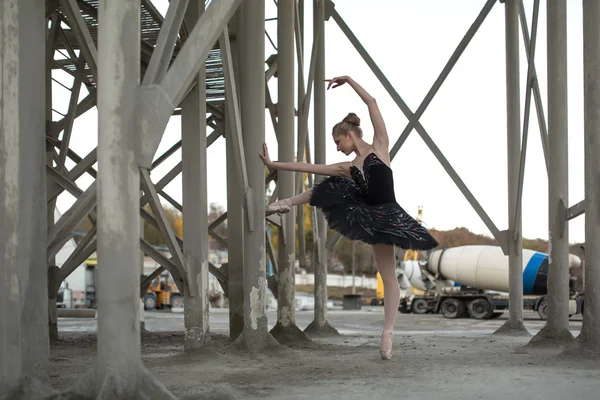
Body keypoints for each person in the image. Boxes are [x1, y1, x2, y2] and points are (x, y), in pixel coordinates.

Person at [259, 75, 439, 360]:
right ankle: (284, 205)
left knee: (388, 276)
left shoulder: (380, 147)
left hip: (387, 214)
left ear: (349, 135)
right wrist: (273, 163)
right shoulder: (347, 166)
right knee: (328, 187)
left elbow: (372, 103)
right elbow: (309, 166)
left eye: (337, 140)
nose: (336, 146)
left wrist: (349, 80)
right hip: (365, 212)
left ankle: (388, 330)